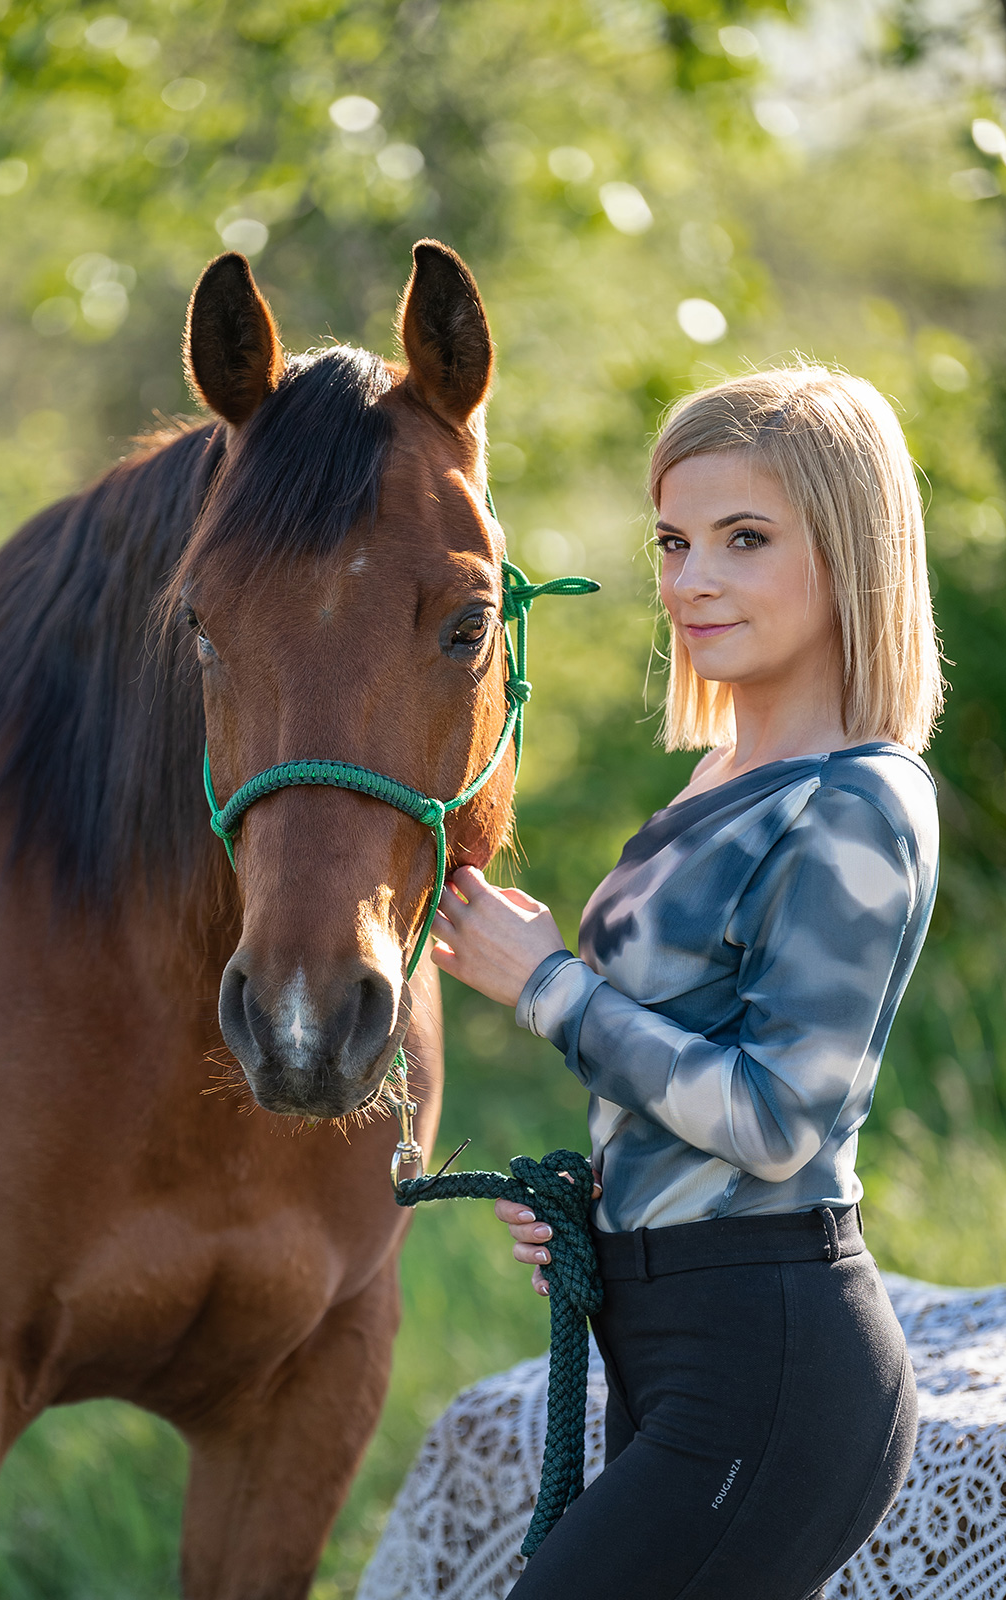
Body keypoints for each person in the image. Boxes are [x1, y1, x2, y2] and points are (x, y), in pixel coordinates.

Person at [429, 366, 943, 1600]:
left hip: (774, 1353)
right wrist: (605, 1209)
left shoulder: (860, 801)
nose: (690, 579)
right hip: (666, 1337)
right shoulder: (717, 774)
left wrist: (546, 981)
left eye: (745, 539)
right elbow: (691, 1067)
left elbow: (775, 1119)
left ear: (853, 553)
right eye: (673, 540)